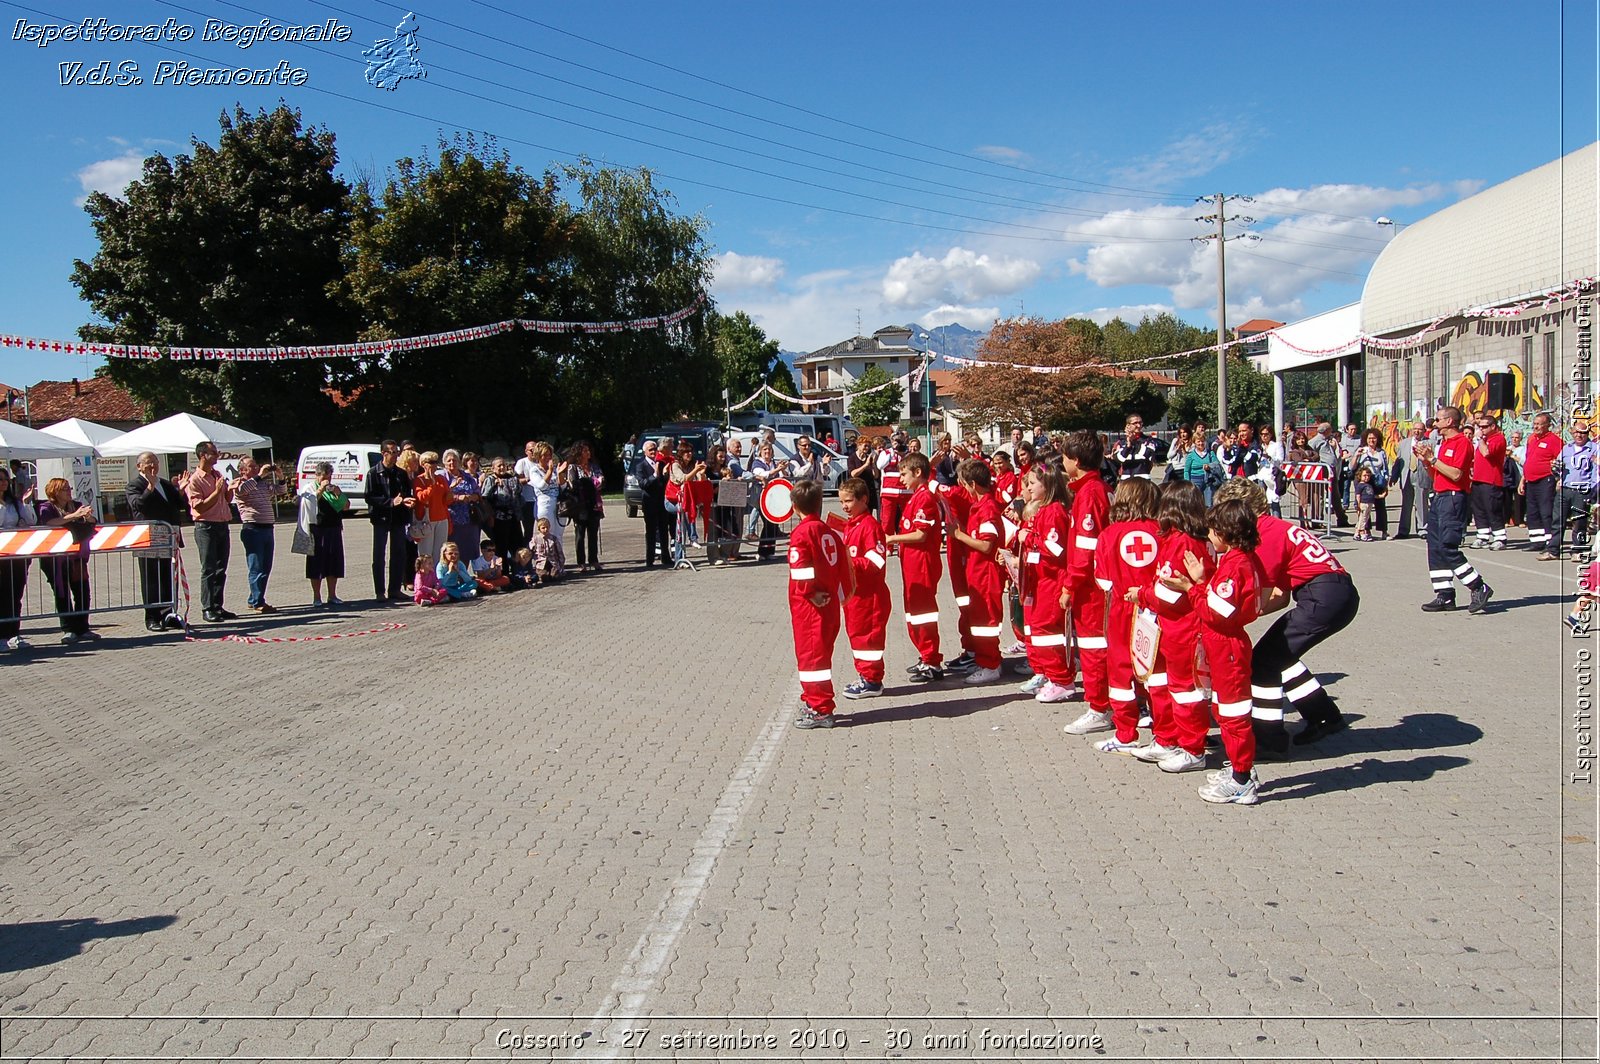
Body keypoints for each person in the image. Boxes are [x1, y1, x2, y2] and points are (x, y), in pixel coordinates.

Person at [1211, 479, 1358, 757]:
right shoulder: (1278, 526)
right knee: (1280, 654)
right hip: (1333, 593)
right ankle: (1324, 716)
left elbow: (1261, 595)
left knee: (1263, 661)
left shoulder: (1262, 533)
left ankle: (1269, 741)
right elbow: (1279, 597)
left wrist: (1227, 620)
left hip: (1322, 596)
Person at [1159, 497, 1265, 805]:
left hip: (1227, 646)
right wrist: (1202, 581)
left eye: (1214, 531)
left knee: (1232, 715)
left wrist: (1190, 587)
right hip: (1224, 644)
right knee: (1224, 709)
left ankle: (1242, 779)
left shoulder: (1235, 566)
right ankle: (1238, 768)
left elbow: (1215, 612)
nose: (1209, 536)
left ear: (1228, 532)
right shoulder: (1239, 561)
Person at [1126, 481, 1213, 773]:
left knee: (1186, 691)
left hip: (1183, 628)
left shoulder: (1184, 542)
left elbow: (1171, 592)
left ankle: (1192, 748)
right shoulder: (1187, 539)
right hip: (1171, 627)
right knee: (1162, 685)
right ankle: (1167, 738)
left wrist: (1143, 595)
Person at [1090, 478, 1163, 754]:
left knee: (1120, 673)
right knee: (1156, 671)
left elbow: (1103, 580)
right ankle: (1164, 732)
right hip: (1156, 609)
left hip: (1122, 609)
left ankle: (1125, 734)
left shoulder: (1109, 534)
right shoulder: (1161, 531)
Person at [788, 479, 852, 729]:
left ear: (794, 507)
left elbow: (800, 569)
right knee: (820, 655)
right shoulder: (827, 530)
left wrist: (810, 593)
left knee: (812, 659)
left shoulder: (802, 533)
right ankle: (815, 700)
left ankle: (821, 708)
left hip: (811, 607)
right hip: (829, 604)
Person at [1060, 431, 1114, 730]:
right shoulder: (1093, 489)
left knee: (1094, 647)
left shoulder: (1090, 493)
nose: (1063, 462)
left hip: (1092, 586)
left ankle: (1099, 707)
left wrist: (1070, 585)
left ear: (1076, 461)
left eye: (1065, 457)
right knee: (1097, 646)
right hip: (1095, 582)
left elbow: (1085, 547)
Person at [1416, 407, 1493, 613]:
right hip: (1440, 497)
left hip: (1453, 499)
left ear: (1450, 421)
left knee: (1448, 546)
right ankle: (1445, 595)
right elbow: (1438, 475)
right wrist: (1426, 462)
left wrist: (1433, 459)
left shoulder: (1462, 443)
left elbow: (1457, 474)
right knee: (1435, 547)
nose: (1435, 423)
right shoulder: (1444, 444)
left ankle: (1478, 586)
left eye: (1439, 419)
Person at [1015, 460, 1077, 704]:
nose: (1028, 489)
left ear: (1048, 485)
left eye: (1032, 484)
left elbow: (1056, 550)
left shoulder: (1054, 512)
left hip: (1052, 582)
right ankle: (1053, 676)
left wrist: (1029, 539)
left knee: (1049, 632)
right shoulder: (1046, 511)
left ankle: (1062, 680)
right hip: (1041, 580)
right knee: (1040, 630)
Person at [886, 452, 944, 682]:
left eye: (903, 474)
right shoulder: (916, 497)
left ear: (918, 473)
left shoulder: (924, 499)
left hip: (922, 565)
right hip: (912, 565)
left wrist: (892, 539)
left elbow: (920, 534)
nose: (901, 479)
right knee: (915, 613)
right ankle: (925, 655)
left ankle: (932, 662)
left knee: (923, 613)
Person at [948, 458, 1006, 685]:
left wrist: (959, 535)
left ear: (973, 484)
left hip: (986, 573)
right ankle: (986, 660)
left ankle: (990, 664)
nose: (962, 488)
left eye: (963, 484)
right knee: (980, 619)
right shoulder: (980, 506)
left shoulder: (987, 508)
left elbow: (986, 545)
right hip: (978, 572)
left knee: (986, 621)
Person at [839, 476, 891, 700]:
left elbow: (877, 562)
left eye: (848, 501)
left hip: (870, 596)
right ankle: (865, 675)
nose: (844, 506)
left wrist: (849, 563)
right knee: (858, 637)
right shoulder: (853, 525)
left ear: (863, 499)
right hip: (856, 594)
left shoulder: (869, 527)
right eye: (842, 502)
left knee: (868, 639)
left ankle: (872, 680)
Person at [125, 452, 183, 632]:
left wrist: (181, 489)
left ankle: (168, 614)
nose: (152, 466)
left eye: (155, 462)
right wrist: (149, 487)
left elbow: (179, 505)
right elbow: (139, 505)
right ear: (139, 466)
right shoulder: (134, 485)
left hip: (166, 538)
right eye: (148, 463)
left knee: (167, 577)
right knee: (151, 578)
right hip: (148, 538)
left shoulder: (164, 483)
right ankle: (152, 617)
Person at [35, 477, 96, 644]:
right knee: (62, 593)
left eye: (69, 488)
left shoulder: (76, 505)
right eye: (65, 489)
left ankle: (83, 627)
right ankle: (68, 629)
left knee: (82, 591)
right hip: (55, 559)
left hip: (77, 558)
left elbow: (91, 520)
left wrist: (88, 517)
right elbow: (49, 522)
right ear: (55, 492)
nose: (69, 491)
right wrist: (74, 516)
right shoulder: (46, 507)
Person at [185, 440, 236, 622]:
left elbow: (226, 499)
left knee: (221, 569)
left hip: (222, 524)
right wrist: (216, 491)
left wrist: (230, 489)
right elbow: (199, 508)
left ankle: (217, 606)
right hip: (205, 526)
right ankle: (207, 608)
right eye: (213, 453)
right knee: (208, 568)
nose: (217, 455)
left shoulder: (217, 474)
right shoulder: (195, 480)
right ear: (202, 455)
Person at [364, 441, 414, 604]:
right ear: (383, 453)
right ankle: (380, 591)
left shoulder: (401, 473)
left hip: (399, 518)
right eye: (391, 452)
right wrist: (391, 502)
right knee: (379, 555)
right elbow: (369, 497)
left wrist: (406, 501)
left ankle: (395, 589)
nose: (395, 455)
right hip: (381, 519)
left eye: (396, 452)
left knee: (399, 554)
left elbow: (406, 492)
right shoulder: (373, 473)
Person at [229, 456, 278, 613]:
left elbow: (279, 491)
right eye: (252, 466)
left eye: (256, 465)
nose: (256, 468)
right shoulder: (240, 483)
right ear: (242, 470)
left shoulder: (261, 483)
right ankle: (258, 602)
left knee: (266, 566)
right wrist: (259, 476)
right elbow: (242, 491)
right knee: (256, 567)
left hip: (267, 528)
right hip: (253, 529)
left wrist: (281, 476)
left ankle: (255, 598)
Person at [298, 461, 348, 607]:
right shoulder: (309, 487)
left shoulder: (332, 490)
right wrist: (320, 489)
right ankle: (316, 597)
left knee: (334, 562)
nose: (327, 479)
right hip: (317, 530)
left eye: (329, 476)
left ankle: (332, 595)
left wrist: (338, 493)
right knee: (316, 564)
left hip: (334, 528)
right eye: (324, 476)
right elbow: (309, 502)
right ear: (317, 475)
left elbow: (346, 506)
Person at [1551, 421, 1600, 558]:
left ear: (1587, 434)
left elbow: (1596, 472)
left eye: (1583, 433)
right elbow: (1559, 466)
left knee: (1579, 522)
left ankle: (1577, 551)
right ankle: (1553, 550)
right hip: (1565, 488)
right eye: (1576, 432)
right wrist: (1557, 474)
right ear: (1572, 433)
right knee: (1558, 520)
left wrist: (1592, 489)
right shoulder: (1567, 448)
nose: (1579, 435)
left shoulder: (1594, 449)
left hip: (1582, 489)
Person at [1521, 412, 1562, 558]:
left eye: (1539, 424)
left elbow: (1561, 461)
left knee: (1546, 512)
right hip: (1530, 480)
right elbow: (1528, 460)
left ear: (1547, 425)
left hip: (1546, 480)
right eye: (1535, 423)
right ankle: (1536, 541)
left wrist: (1559, 479)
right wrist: (1523, 480)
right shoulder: (1532, 439)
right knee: (1532, 512)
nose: (1536, 426)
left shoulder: (1554, 441)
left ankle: (1550, 543)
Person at [1468, 412, 1508, 550]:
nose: (1481, 429)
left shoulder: (1498, 438)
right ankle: (1483, 536)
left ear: (1493, 426)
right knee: (1478, 509)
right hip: (1478, 479)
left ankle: (1500, 538)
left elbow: (1486, 453)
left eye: (1484, 426)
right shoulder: (1484, 439)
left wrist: (1480, 440)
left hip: (1491, 480)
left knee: (1493, 509)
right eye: (1479, 426)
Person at [478, 455, 523, 571]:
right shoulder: (491, 480)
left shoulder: (512, 478)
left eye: (504, 465)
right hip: (499, 518)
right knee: (501, 546)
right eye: (499, 466)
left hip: (513, 516)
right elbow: (485, 498)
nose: (502, 467)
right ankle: (503, 572)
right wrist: (490, 516)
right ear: (493, 468)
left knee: (517, 545)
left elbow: (518, 492)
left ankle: (519, 570)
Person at [565, 441, 605, 571]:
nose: (588, 453)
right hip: (580, 504)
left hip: (594, 503)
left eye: (588, 450)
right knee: (580, 534)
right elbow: (572, 484)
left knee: (593, 533)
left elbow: (601, 481)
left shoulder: (594, 466)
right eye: (585, 450)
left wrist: (594, 483)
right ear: (578, 453)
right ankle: (581, 562)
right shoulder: (573, 467)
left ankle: (593, 560)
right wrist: (591, 483)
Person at [442, 449, 482, 563]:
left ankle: (464, 575)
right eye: (448, 461)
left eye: (454, 460)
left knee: (468, 549)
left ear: (459, 462)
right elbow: (442, 497)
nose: (452, 463)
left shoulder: (467, 477)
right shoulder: (442, 478)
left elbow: (477, 493)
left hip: (469, 518)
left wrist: (470, 497)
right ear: (444, 463)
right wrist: (457, 497)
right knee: (452, 550)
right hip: (452, 520)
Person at [634, 440, 670, 568]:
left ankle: (666, 557)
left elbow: (665, 483)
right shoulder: (641, 466)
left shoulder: (661, 463)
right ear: (645, 452)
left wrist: (665, 475)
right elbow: (643, 484)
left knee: (663, 530)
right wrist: (655, 474)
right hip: (649, 503)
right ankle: (650, 559)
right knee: (650, 532)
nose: (653, 452)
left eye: (655, 449)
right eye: (650, 450)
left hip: (662, 502)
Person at [411, 452, 451, 566]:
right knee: (425, 554)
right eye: (431, 462)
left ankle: (438, 580)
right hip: (426, 520)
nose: (434, 465)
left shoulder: (441, 478)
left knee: (440, 552)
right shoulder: (419, 480)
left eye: (435, 462)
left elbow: (447, 499)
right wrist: (432, 485)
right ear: (423, 464)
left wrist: (450, 495)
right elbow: (422, 498)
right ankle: (425, 578)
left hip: (442, 519)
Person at [1392, 422, 1430, 540]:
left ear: (1424, 431)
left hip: (1421, 475)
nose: (1416, 432)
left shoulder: (1429, 443)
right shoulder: (1404, 443)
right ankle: (1403, 530)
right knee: (1406, 505)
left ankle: (1423, 529)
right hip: (1406, 475)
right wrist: (1394, 476)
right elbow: (1398, 461)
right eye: (1415, 429)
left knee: (1421, 503)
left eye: (1419, 429)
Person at [1352, 428, 1390, 539]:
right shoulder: (1362, 450)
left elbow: (1385, 468)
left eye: (1374, 438)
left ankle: (1384, 531)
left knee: (1380, 505)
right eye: (1369, 438)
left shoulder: (1381, 452)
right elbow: (1352, 467)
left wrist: (1386, 483)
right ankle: (1365, 530)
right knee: (1365, 506)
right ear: (1365, 439)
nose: (1372, 440)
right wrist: (1356, 455)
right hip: (1364, 481)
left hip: (1377, 480)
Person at [748, 440, 783, 561]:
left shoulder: (774, 463)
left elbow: (782, 477)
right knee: (768, 523)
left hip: (773, 498)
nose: (767, 452)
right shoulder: (757, 463)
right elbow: (762, 474)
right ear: (760, 452)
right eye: (765, 450)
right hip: (760, 498)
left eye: (769, 449)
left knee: (773, 523)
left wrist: (782, 469)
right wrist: (777, 470)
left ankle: (770, 551)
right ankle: (762, 552)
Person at [1107, 415, 1168, 480]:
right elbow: (1120, 459)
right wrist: (1128, 446)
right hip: (1126, 481)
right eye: (1135, 423)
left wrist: (1134, 442)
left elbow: (1146, 454)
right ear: (1128, 425)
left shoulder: (1149, 441)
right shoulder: (1121, 442)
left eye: (1140, 423)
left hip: (1143, 480)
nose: (1138, 426)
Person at [1311, 422, 1346, 525]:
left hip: (1331, 470)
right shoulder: (1316, 441)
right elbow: (1309, 453)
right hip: (1322, 471)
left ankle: (1341, 518)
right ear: (1326, 431)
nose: (1331, 432)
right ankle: (1318, 520)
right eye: (1330, 430)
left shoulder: (1329, 440)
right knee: (1319, 495)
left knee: (1335, 495)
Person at [877, 433, 907, 540]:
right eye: (895, 440)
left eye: (900, 440)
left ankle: (904, 543)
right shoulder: (885, 453)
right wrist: (892, 452)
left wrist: (903, 454)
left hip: (906, 491)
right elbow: (880, 465)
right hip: (888, 491)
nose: (898, 443)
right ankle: (888, 545)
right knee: (887, 519)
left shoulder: (908, 453)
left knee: (906, 518)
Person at [531, 516, 566, 584]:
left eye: (547, 527)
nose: (546, 529)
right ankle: (544, 574)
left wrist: (561, 564)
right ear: (539, 529)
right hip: (541, 563)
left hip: (553, 562)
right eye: (543, 528)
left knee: (554, 577)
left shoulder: (553, 539)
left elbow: (559, 552)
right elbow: (530, 550)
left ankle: (556, 573)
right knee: (544, 578)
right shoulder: (535, 539)